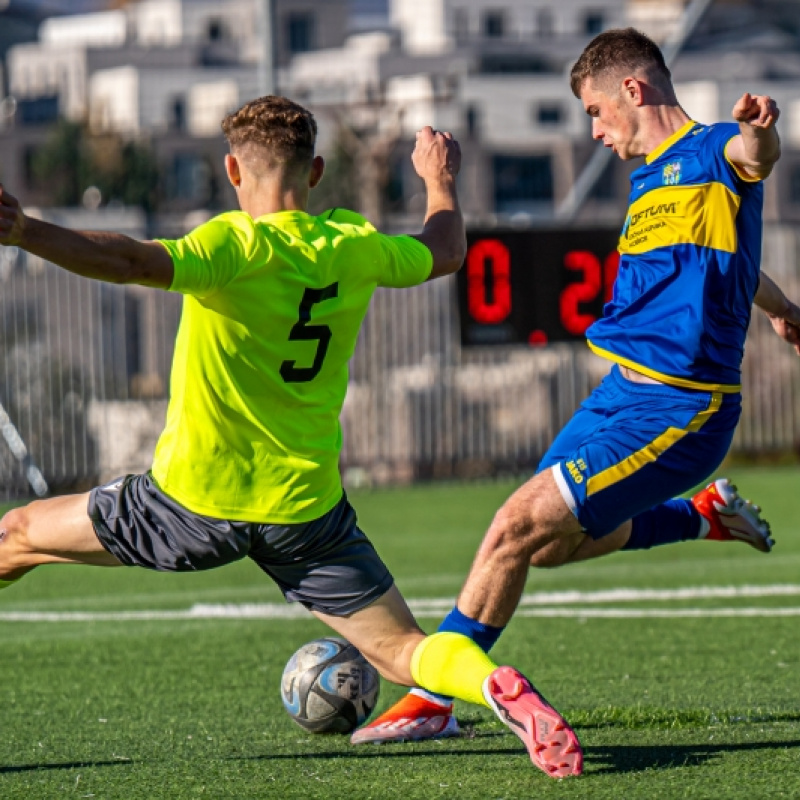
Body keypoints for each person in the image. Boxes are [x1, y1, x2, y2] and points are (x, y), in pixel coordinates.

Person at [0, 96, 582, 780]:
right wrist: (437, 176)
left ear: (231, 171)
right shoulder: (353, 243)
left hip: (190, 505)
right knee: (405, 652)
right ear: (317, 173)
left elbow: (129, 261)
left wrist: (24, 229)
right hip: (305, 512)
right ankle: (496, 687)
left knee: (16, 536)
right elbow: (448, 250)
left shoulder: (232, 245)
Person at [352, 27, 800, 753]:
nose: (595, 132)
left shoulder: (717, 147)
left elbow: (755, 157)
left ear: (633, 89)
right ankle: (704, 518)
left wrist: (760, 133)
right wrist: (782, 309)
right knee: (548, 548)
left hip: (682, 406)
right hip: (621, 395)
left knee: (512, 527)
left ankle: (433, 696)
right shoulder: (651, 179)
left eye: (595, 111)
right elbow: (738, 263)